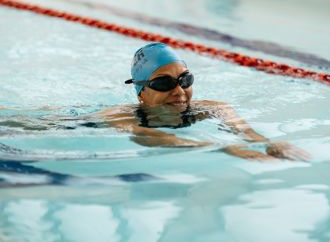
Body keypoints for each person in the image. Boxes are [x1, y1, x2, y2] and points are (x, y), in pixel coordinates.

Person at [97, 42, 310, 161]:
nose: (179, 91)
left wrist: (270, 143)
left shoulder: (211, 108)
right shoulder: (117, 116)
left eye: (185, 79)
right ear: (141, 93)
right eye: (164, 83)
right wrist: (225, 147)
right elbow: (147, 137)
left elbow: (246, 132)